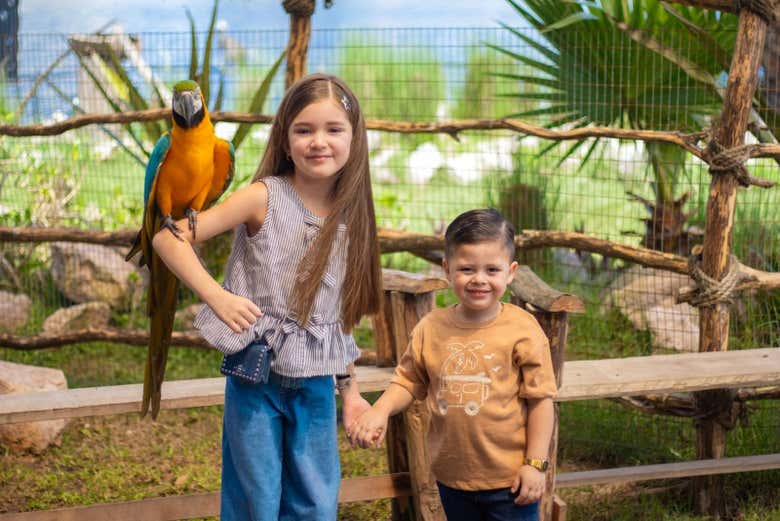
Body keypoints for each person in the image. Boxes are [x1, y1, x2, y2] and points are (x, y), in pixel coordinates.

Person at [152, 73, 382, 521]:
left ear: (355, 138)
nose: (319, 142)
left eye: (333, 129)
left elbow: (335, 320)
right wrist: (217, 296)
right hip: (256, 380)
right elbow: (167, 241)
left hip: (316, 386)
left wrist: (350, 392)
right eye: (304, 130)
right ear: (285, 137)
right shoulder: (263, 197)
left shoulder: (353, 214)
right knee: (254, 500)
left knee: (315, 501)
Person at [349, 208, 556, 521]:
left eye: (492, 270)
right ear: (447, 268)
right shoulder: (431, 328)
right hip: (453, 478)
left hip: (512, 481)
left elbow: (541, 401)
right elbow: (407, 381)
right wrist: (379, 410)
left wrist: (535, 464)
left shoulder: (522, 330)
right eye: (467, 268)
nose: (479, 279)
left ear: (510, 272)